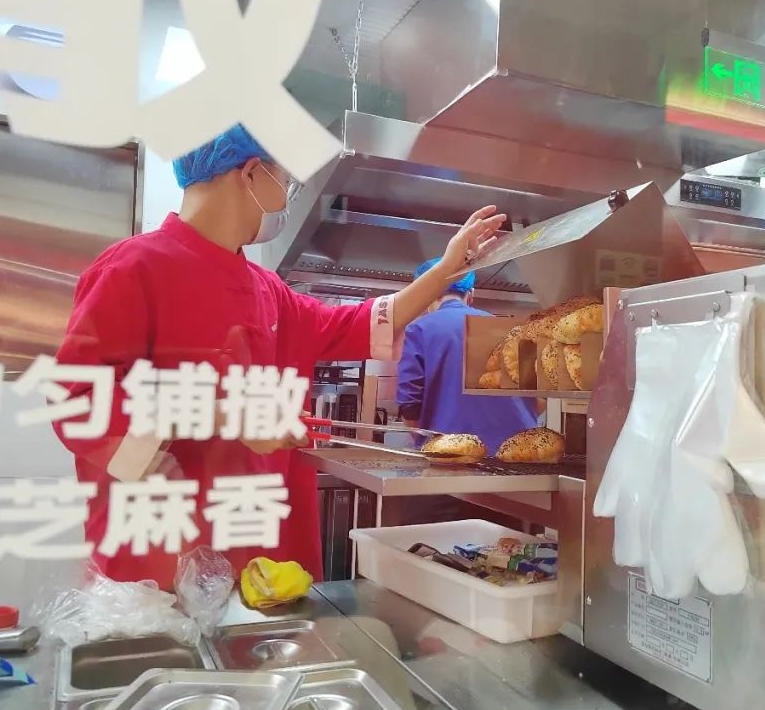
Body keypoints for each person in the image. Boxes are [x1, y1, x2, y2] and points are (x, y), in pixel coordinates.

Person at [53, 125, 506, 590]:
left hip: (257, 553)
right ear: (251, 172)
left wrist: (444, 271)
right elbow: (79, 403)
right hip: (160, 563)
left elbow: (353, 324)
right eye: (285, 180)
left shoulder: (266, 288)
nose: (286, 197)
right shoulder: (133, 268)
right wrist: (225, 414)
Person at [396, 258, 538, 455]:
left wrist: (423, 440)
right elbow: (538, 400)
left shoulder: (419, 330)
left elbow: (410, 407)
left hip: (453, 454)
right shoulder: (513, 330)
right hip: (515, 454)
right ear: (471, 294)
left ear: (426, 294)